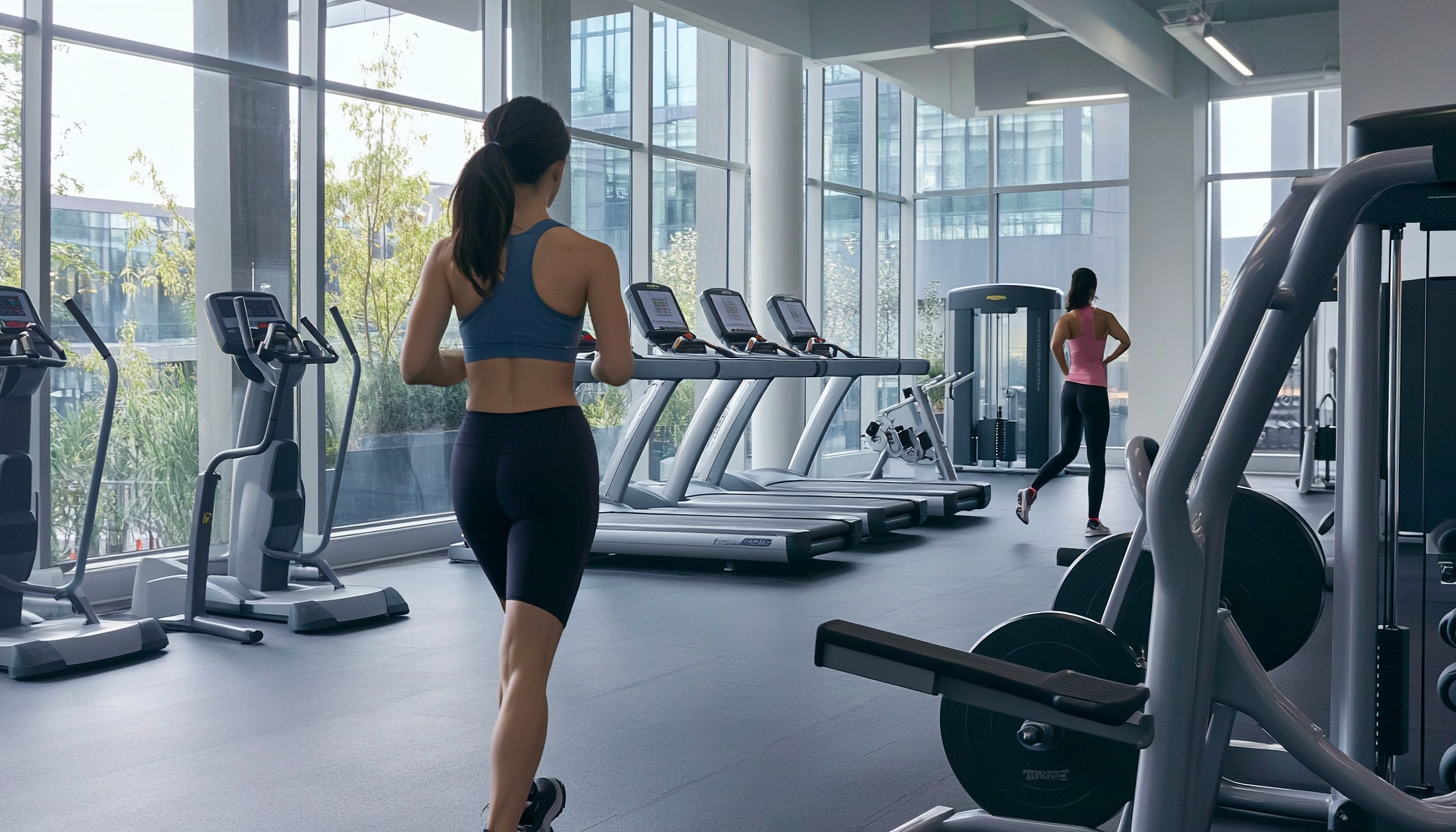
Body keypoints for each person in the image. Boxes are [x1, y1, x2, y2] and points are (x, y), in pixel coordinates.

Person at [400, 96, 633, 832]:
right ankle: (503, 824)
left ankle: (523, 800)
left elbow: (413, 368)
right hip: (550, 456)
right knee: (528, 661)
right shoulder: (588, 256)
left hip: (478, 461)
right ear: (555, 172)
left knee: (515, 649)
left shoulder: (453, 251)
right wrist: (572, 358)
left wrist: (477, 363)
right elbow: (620, 368)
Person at [1015, 267, 1130, 536]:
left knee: (1068, 451)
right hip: (1093, 390)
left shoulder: (1067, 320)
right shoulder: (1105, 318)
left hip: (1071, 390)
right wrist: (1106, 361)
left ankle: (1030, 491)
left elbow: (1055, 346)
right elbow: (1125, 341)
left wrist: (1068, 371)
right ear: (1092, 289)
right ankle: (1093, 522)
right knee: (1096, 459)